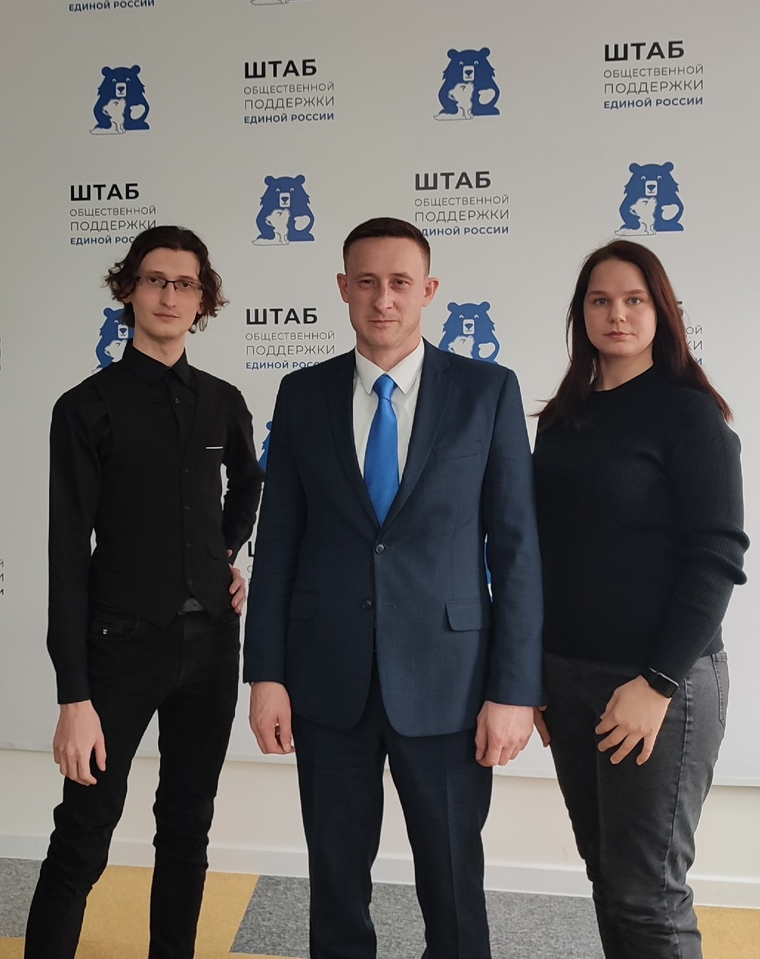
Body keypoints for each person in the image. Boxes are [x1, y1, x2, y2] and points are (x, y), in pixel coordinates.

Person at [243, 217, 543, 959]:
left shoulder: (487, 392)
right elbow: (277, 545)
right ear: (343, 288)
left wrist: (514, 690)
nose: (384, 299)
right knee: (335, 885)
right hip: (326, 680)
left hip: (450, 683)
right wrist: (266, 675)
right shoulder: (302, 394)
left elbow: (516, 549)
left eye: (400, 282)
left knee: (453, 886)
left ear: (428, 290)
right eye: (367, 282)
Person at [25, 226, 263, 959]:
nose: (169, 295)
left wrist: (222, 553)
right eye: (155, 279)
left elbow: (248, 485)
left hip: (211, 647)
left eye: (185, 283)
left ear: (203, 301)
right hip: (118, 649)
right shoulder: (85, 407)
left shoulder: (223, 401)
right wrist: (73, 696)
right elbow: (68, 556)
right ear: (129, 289)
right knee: (84, 834)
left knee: (188, 828)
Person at [532, 240, 748, 959]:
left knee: (647, 894)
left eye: (634, 300)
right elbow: (545, 553)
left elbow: (716, 558)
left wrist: (656, 682)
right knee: (608, 875)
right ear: (580, 314)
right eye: (600, 300)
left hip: (659, 683)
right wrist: (535, 672)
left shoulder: (690, 417)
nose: (617, 314)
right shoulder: (560, 419)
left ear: (662, 312)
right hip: (568, 678)